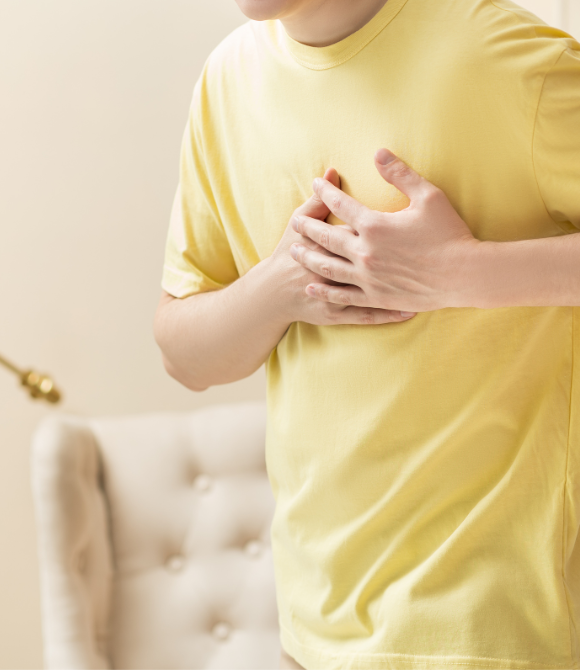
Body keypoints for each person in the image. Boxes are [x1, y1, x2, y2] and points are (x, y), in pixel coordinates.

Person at [153, 0, 580, 667]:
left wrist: (463, 273)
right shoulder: (227, 79)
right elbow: (183, 352)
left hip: (489, 630)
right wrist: (284, 286)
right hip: (309, 628)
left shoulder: (505, 57)